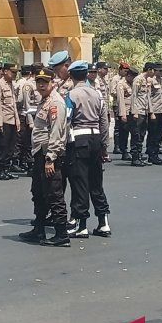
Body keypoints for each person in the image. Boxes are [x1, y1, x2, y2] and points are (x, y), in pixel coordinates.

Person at [19, 68, 70, 247]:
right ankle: (39, 228)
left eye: (45, 82)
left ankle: (61, 234)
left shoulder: (55, 103)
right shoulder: (45, 101)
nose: (41, 85)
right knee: (38, 193)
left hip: (49, 154)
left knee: (54, 194)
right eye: (39, 82)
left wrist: (50, 159)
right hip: (40, 152)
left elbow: (56, 133)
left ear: (52, 83)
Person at [64, 62, 110, 238]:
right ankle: (103, 221)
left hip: (79, 138)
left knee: (80, 182)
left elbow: (67, 120)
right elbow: (104, 121)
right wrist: (104, 145)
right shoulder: (97, 94)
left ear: (72, 76)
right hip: (96, 138)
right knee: (96, 181)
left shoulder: (72, 94)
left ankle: (81, 224)